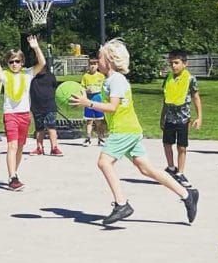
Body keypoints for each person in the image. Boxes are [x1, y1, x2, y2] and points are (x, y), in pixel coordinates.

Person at [70, 38, 199, 226]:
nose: (97, 60)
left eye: (100, 57)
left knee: (104, 162)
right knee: (146, 169)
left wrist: (87, 103)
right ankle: (187, 194)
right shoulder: (110, 80)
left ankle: (121, 204)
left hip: (124, 130)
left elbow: (113, 107)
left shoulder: (117, 80)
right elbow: (115, 108)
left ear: (110, 60)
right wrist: (103, 121)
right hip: (128, 129)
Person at [0, 36, 46, 190]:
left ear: (22, 62)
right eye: (11, 61)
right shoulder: (5, 75)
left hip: (24, 115)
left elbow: (42, 63)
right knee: (12, 145)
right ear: (8, 63)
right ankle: (12, 177)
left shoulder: (28, 74)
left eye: (17, 61)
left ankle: (14, 173)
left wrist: (36, 47)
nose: (14, 64)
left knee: (20, 147)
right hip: (10, 114)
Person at [160, 49, 202, 187]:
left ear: (185, 63)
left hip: (183, 119)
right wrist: (162, 117)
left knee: (182, 146)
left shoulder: (190, 79)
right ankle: (171, 167)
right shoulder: (168, 78)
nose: (173, 66)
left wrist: (199, 117)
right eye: (171, 63)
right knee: (167, 143)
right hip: (170, 118)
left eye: (176, 63)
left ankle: (180, 173)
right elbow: (165, 100)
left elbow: (196, 97)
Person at [29, 67, 63, 156]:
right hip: (37, 106)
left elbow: (54, 88)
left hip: (49, 106)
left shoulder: (50, 76)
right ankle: (39, 148)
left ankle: (54, 148)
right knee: (39, 128)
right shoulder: (32, 77)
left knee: (51, 126)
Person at [80, 55, 106, 146]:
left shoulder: (101, 76)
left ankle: (101, 138)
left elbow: (104, 88)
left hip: (98, 100)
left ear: (97, 65)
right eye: (91, 64)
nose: (92, 66)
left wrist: (97, 90)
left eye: (94, 64)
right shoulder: (85, 76)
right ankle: (88, 138)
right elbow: (82, 88)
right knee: (89, 120)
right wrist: (87, 90)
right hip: (89, 100)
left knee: (99, 121)